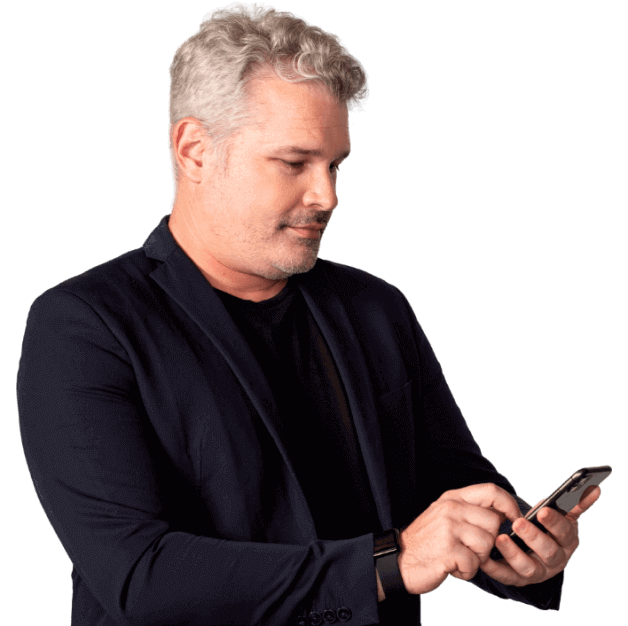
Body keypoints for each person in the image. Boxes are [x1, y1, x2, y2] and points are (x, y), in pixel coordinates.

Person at [17, 4, 601, 625]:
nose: (327, 196)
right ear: (194, 150)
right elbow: (141, 576)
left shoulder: (376, 308)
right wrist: (389, 564)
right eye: (294, 163)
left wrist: (519, 546)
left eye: (335, 165)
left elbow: (454, 488)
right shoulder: (83, 326)